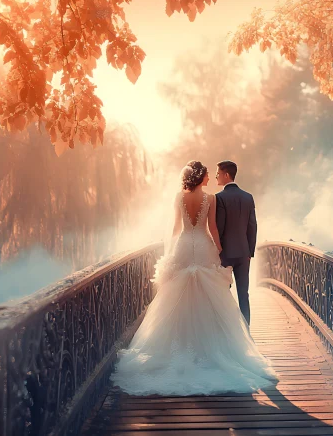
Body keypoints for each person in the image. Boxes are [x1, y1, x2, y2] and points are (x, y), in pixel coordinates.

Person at [109, 161, 278, 396]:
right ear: (201, 177)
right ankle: (211, 346)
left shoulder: (179, 197)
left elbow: (176, 228)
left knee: (177, 295)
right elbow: (213, 229)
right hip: (203, 244)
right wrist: (218, 249)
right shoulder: (211, 199)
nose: (211, 176)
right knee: (209, 295)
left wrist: (171, 252)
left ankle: (176, 346)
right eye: (208, 174)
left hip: (183, 245)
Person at [215, 160, 256, 326]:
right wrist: (250, 252)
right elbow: (252, 227)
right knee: (243, 294)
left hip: (225, 255)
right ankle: (246, 330)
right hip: (243, 254)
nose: (216, 176)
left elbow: (220, 228)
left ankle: (228, 330)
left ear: (226, 175)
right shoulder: (248, 197)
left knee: (224, 294)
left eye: (218, 173)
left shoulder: (219, 198)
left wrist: (217, 251)